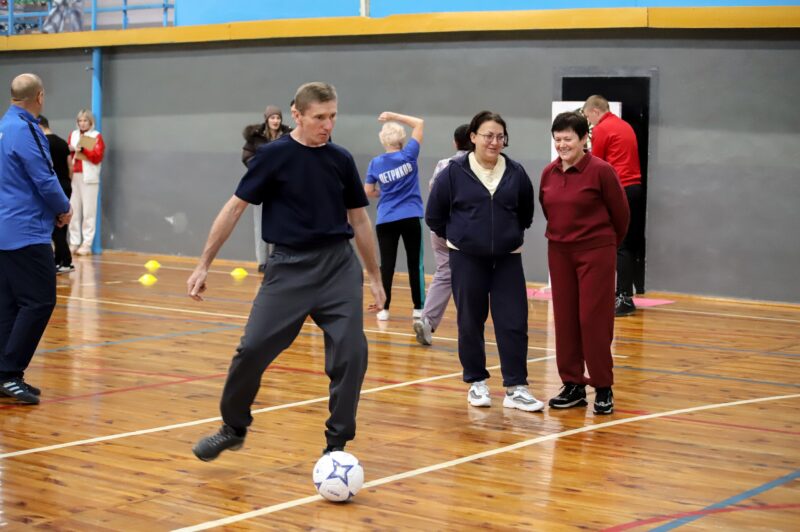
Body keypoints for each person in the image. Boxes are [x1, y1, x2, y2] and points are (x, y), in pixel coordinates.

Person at [188, 82, 385, 460]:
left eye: (333, 116)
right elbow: (234, 208)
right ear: (297, 115)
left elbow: (359, 220)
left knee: (352, 351)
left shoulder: (341, 159)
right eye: (319, 117)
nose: (328, 125)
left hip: (337, 266)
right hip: (288, 268)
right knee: (252, 349)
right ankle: (233, 427)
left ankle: (336, 445)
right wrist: (203, 264)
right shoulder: (272, 156)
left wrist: (374, 277)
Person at [426, 111, 543, 412]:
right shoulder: (453, 172)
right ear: (473, 137)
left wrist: (509, 236)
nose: (494, 142)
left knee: (513, 321)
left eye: (500, 136)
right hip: (466, 259)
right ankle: (476, 382)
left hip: (507, 259)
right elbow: (434, 216)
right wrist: (461, 238)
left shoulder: (515, 172)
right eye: (488, 135)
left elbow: (526, 213)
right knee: (470, 320)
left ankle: (516, 387)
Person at [539, 111, 630, 416]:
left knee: (593, 320)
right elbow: (548, 209)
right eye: (557, 139)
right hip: (559, 252)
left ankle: (603, 387)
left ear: (583, 139)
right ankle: (573, 385)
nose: (562, 145)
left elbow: (621, 215)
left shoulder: (602, 171)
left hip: (596, 251)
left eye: (568, 139)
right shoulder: (549, 173)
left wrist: (604, 245)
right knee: (565, 319)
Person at [0, 73, 72, 405]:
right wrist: (63, 207)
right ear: (39, 96)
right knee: (40, 301)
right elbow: (44, 177)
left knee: (10, 303)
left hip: (5, 229)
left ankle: (4, 374)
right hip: (25, 231)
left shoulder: (3, 127)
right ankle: (10, 372)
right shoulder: (27, 129)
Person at [582, 95, 643, 317]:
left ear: (595, 111)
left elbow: (596, 163)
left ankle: (623, 298)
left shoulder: (602, 129)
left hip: (620, 188)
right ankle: (624, 294)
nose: (589, 122)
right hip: (634, 188)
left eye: (588, 117)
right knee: (627, 244)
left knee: (619, 245)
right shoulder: (624, 125)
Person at [364, 112, 425, 321]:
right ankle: (418, 308)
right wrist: (393, 116)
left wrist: (383, 193)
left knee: (387, 264)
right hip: (410, 216)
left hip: (386, 218)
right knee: (414, 263)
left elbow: (368, 191)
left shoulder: (376, 163)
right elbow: (419, 123)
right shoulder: (409, 154)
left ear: (383, 140)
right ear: (402, 139)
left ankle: (384, 309)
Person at [413, 124, 471, 346]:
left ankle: (427, 320)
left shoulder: (443, 164)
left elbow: (433, 190)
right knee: (472, 275)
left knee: (444, 272)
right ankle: (469, 325)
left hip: (439, 227)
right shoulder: (476, 166)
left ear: (455, 143)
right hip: (463, 228)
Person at [241, 105, 292, 273]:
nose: (275, 121)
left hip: (281, 187)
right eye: (272, 118)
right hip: (261, 186)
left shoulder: (288, 136)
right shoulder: (256, 137)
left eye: (278, 118)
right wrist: (262, 170)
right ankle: (262, 262)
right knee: (260, 224)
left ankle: (276, 259)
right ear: (267, 119)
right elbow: (247, 157)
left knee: (280, 223)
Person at [39, 115, 75, 274]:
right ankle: (59, 259)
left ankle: (66, 261)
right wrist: (67, 183)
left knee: (56, 226)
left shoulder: (43, 143)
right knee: (62, 224)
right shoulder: (62, 142)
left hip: (54, 187)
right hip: (66, 185)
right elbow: (70, 167)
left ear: (40, 126)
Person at [68, 109, 105, 256]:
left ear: (91, 122)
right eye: (80, 121)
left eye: (85, 120)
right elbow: (68, 153)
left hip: (89, 178)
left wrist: (83, 149)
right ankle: (74, 241)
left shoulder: (96, 136)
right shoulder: (73, 134)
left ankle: (86, 244)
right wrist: (71, 149)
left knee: (89, 212)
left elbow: (97, 156)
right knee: (73, 211)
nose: (82, 123)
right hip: (74, 176)